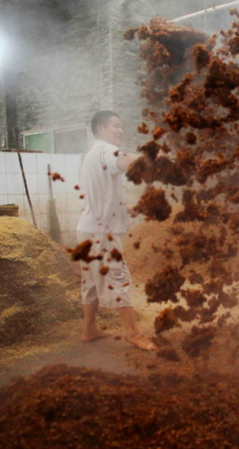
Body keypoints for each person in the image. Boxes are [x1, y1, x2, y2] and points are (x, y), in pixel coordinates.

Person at [76, 110, 156, 351]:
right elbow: (123, 162)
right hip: (102, 234)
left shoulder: (93, 154)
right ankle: (134, 332)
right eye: (115, 126)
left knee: (90, 281)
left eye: (122, 126)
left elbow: (102, 194)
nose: (120, 130)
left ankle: (89, 329)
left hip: (87, 230)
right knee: (118, 278)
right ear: (100, 129)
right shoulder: (106, 150)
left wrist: (127, 208)